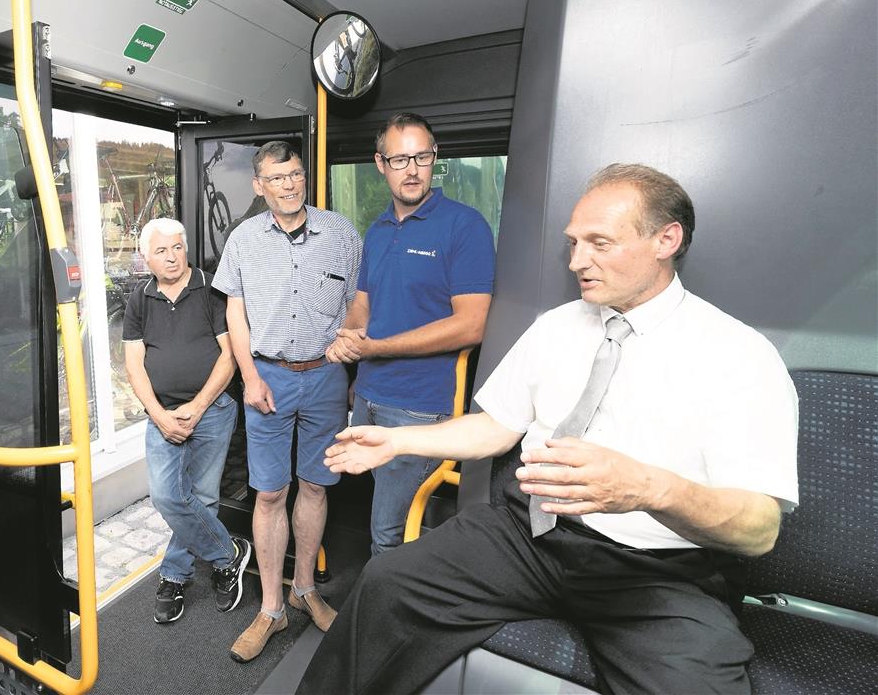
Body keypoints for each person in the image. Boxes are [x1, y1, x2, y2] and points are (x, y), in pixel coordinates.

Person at [298, 164, 798, 694]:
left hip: (658, 572)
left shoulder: (739, 356)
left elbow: (759, 529)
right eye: (573, 243)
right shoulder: (556, 327)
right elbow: (496, 427)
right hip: (528, 536)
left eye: (599, 243)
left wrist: (647, 488)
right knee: (386, 583)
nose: (577, 261)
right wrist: (397, 440)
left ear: (665, 240)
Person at [212, 141, 362, 662]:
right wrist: (249, 378)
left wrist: (348, 364)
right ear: (259, 185)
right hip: (267, 378)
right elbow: (235, 315)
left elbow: (357, 304)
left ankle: (304, 590)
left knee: (316, 487)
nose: (289, 184)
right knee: (271, 494)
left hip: (325, 377)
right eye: (276, 178)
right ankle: (271, 608)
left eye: (295, 174)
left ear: (305, 177)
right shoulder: (244, 240)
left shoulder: (342, 234)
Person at [326, 112, 494, 555]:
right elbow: (363, 301)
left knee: (389, 533)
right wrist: (347, 337)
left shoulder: (465, 226)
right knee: (363, 512)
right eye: (400, 159)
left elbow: (471, 325)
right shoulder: (378, 231)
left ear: (435, 158)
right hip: (368, 396)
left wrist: (376, 347)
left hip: (419, 410)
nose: (412, 169)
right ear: (380, 164)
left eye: (421, 156)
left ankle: (386, 621)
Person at [123, 218, 251, 624]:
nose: (171, 257)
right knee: (167, 496)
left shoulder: (211, 290)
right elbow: (133, 365)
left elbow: (229, 356)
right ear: (146, 258)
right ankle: (228, 554)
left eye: (177, 247)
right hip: (161, 414)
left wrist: (196, 407)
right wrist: (159, 416)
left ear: (186, 248)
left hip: (212, 411)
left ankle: (175, 575)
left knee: (204, 496)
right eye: (161, 250)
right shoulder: (139, 300)